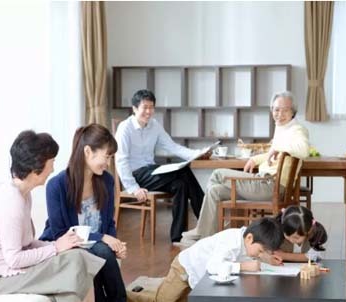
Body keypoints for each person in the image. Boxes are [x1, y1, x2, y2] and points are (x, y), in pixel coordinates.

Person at [0, 130, 121, 302]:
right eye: (51, 161)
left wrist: (62, 245)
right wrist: (55, 248)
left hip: (5, 268)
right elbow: (14, 259)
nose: (53, 167)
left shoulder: (23, 194)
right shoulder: (11, 203)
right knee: (73, 262)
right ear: (36, 167)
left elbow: (27, 243)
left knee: (79, 254)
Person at [40, 123, 138, 302]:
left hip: (96, 245)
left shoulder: (106, 181)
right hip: (66, 245)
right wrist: (103, 239)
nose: (108, 163)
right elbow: (60, 233)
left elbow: (108, 223)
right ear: (88, 152)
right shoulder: (57, 185)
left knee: (102, 250)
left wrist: (116, 244)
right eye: (106, 156)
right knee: (98, 250)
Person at [181, 90, 310, 245]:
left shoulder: (297, 130)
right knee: (215, 191)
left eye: (285, 110)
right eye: (276, 110)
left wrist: (277, 148)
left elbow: (304, 150)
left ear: (293, 111)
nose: (280, 114)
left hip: (269, 185)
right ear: (271, 110)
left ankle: (205, 231)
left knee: (217, 174)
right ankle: (207, 236)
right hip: (265, 183)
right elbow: (272, 153)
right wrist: (254, 159)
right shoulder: (283, 128)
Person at [126, 217, 284, 302]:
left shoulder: (248, 240)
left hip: (198, 277)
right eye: (261, 251)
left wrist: (267, 259)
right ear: (249, 238)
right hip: (185, 269)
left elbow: (253, 253)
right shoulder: (231, 243)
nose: (260, 255)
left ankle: (151, 289)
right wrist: (244, 266)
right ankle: (122, 296)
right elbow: (213, 267)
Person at [115, 89, 210, 243]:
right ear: (134, 108)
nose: (148, 112)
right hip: (136, 176)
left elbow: (172, 147)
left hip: (151, 171)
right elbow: (121, 160)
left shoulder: (154, 125)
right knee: (184, 172)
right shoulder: (125, 128)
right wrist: (133, 188)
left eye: (151, 107)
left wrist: (198, 153)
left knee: (180, 185)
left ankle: (177, 237)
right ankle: (207, 221)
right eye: (145, 107)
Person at [263, 205, 328, 265]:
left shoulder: (313, 235)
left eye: (296, 237)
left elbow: (314, 256)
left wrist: (284, 255)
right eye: (287, 235)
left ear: (308, 232)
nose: (291, 240)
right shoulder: (277, 231)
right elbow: (264, 249)